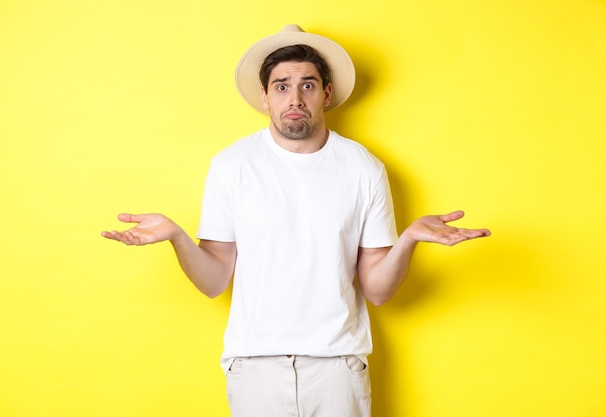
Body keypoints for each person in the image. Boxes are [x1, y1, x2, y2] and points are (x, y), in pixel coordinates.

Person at [102, 24, 491, 417]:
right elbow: (215, 279)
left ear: (326, 93)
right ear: (265, 97)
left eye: (307, 85)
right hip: (254, 367)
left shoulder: (363, 169)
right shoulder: (231, 166)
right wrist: (177, 237)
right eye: (282, 85)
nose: (295, 97)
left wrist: (407, 240)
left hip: (338, 367)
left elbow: (377, 289)